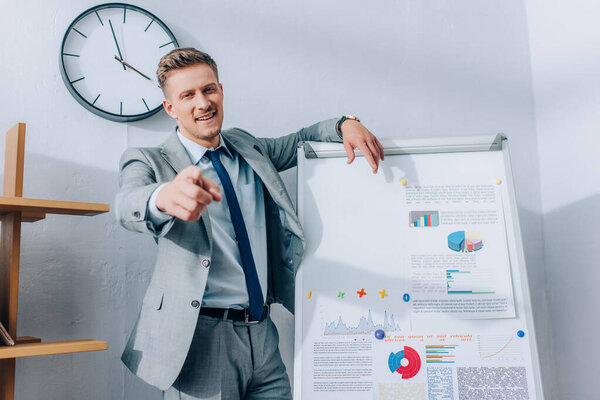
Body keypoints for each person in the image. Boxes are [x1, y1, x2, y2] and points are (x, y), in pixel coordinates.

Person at [115, 47, 384, 400]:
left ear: (221, 91)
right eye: (188, 95)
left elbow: (303, 138)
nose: (202, 103)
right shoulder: (149, 160)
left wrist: (345, 122)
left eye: (208, 89)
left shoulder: (248, 147)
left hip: (263, 333)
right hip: (200, 339)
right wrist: (163, 197)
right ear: (171, 108)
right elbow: (127, 203)